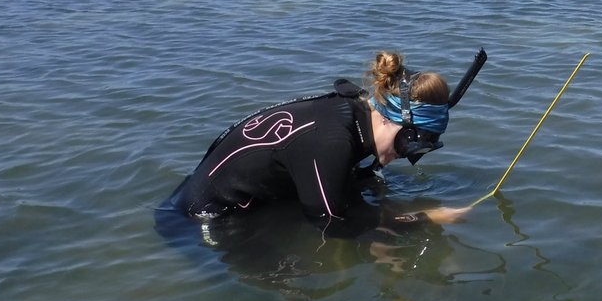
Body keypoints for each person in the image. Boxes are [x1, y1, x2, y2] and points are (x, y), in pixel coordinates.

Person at [161, 48, 486, 225]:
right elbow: (331, 222)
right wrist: (422, 219)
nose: (409, 156)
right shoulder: (331, 141)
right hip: (205, 218)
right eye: (410, 144)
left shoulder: (356, 114)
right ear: (392, 120)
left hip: (248, 196)